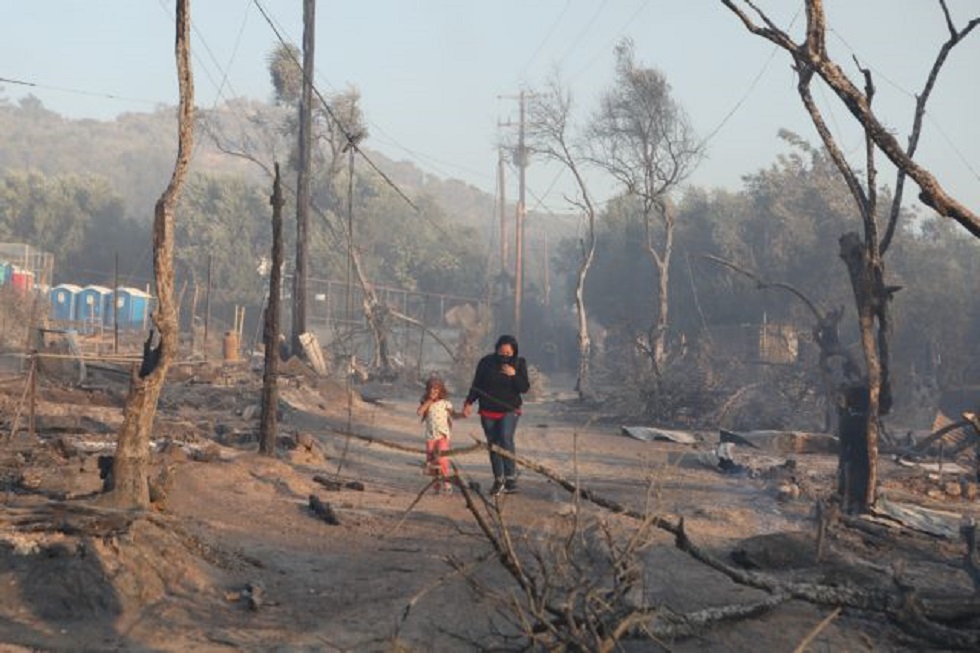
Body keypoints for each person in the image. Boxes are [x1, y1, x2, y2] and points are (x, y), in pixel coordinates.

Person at [462, 334, 531, 496]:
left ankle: (510, 478)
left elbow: (524, 388)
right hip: (488, 409)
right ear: (496, 349)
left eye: (508, 353)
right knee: (493, 444)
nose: (505, 356)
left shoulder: (520, 363)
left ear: (514, 352)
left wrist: (514, 375)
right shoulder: (486, 362)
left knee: (505, 438)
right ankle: (498, 479)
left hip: (510, 409)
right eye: (502, 352)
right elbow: (477, 385)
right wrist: (468, 402)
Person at [418, 376, 456, 495]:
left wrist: (463, 415)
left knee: (442, 459)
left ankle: (447, 483)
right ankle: (436, 485)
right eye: (431, 389)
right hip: (430, 436)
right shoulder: (426, 402)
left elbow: (453, 415)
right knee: (432, 461)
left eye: (436, 389)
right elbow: (419, 412)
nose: (433, 392)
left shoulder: (445, 403)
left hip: (443, 435)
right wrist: (429, 401)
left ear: (441, 390)